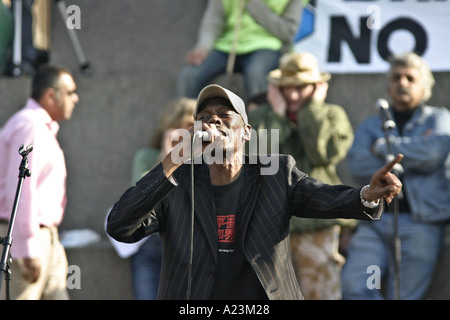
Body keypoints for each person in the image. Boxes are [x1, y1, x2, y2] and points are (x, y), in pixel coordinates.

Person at [106, 83, 403, 300]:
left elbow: (327, 198)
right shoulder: (178, 181)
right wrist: (174, 159)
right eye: (205, 116)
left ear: (246, 132)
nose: (214, 120)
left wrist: (368, 193)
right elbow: (120, 225)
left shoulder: (275, 174)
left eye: (225, 114)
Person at [341, 52, 450, 300]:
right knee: (356, 286)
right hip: (375, 223)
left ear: (425, 86)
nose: (402, 83)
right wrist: (411, 155)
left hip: (421, 223)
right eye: (397, 77)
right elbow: (358, 164)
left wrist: (382, 148)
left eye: (410, 78)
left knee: (403, 296)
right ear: (389, 84)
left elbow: (434, 153)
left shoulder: (439, 118)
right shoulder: (371, 124)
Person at [247, 51, 356, 299]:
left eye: (301, 88)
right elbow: (256, 158)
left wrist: (313, 110)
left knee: (320, 293)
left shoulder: (331, 114)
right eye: (286, 88)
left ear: (317, 86)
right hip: (272, 226)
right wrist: (277, 114)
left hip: (317, 223)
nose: (293, 95)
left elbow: (323, 154)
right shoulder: (261, 117)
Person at [0, 64, 79, 300]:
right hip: (29, 238)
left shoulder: (37, 126)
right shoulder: (30, 125)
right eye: (70, 92)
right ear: (50, 95)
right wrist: (27, 247)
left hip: (47, 237)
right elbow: (21, 190)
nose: (76, 98)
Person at [108, 98, 196, 300]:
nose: (190, 132)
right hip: (150, 244)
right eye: (185, 126)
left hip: (184, 246)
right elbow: (140, 195)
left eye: (194, 127)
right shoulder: (147, 156)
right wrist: (167, 155)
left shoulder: (202, 159)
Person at [175, 0, 302, 102]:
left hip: (267, 46)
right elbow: (213, 21)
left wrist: (255, 5)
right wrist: (203, 48)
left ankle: (259, 126)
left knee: (256, 73)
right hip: (226, 46)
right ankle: (187, 124)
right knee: (189, 75)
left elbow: (287, 32)